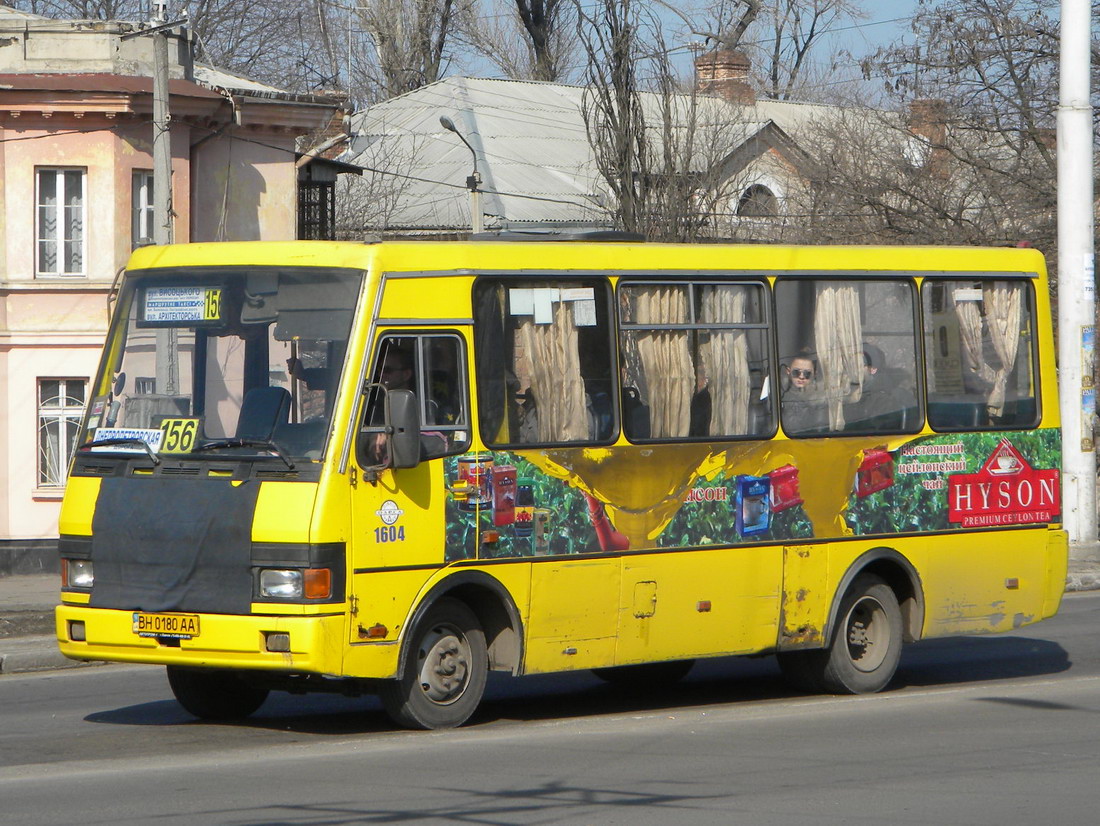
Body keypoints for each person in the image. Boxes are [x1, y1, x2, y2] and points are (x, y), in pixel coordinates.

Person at [781, 354, 826, 435]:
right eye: (796, 372)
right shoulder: (780, 394)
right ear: (788, 371)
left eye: (807, 373)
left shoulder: (821, 396)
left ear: (815, 374)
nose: (801, 377)